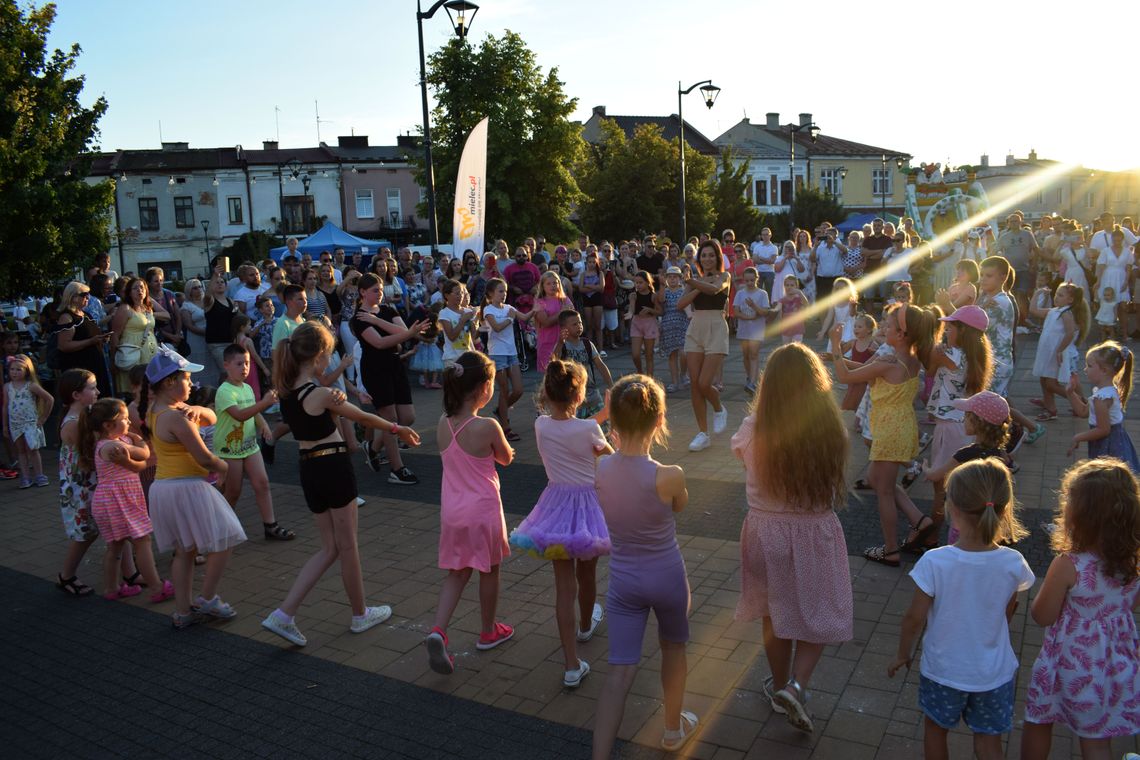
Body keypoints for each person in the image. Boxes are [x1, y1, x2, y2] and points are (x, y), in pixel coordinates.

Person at [260, 322, 416, 647]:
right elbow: (362, 417)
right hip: (332, 465)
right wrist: (396, 428)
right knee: (347, 546)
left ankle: (285, 613)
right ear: (319, 356)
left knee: (330, 547)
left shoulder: (288, 392)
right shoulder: (319, 394)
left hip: (309, 469)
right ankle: (360, 614)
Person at [732, 344, 853, 733]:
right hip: (813, 530)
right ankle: (797, 686)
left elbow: (740, 455)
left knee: (774, 612)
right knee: (817, 611)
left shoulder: (752, 428)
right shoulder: (828, 427)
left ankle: (780, 684)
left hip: (764, 531)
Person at [887, 458, 1033, 760]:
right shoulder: (1013, 563)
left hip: (944, 671)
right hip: (994, 672)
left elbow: (914, 619)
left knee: (936, 731)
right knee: (989, 742)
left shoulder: (935, 562)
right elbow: (1009, 608)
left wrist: (903, 652)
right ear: (1003, 508)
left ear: (951, 507)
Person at [592, 375, 696, 757]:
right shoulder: (670, 475)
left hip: (624, 581)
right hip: (667, 576)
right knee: (674, 649)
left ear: (613, 423)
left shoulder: (600, 470)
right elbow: (679, 506)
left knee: (618, 673)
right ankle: (672, 729)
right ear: (659, 420)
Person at [1021, 458, 1140, 758]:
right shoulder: (1133, 561)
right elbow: (1129, 605)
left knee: (1039, 719)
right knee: (1097, 737)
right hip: (1114, 662)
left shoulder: (1069, 564)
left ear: (1078, 514)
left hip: (1069, 662)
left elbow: (1043, 615)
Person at [510, 359, 612, 686]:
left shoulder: (541, 425)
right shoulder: (589, 430)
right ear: (579, 394)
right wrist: (610, 423)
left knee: (563, 586)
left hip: (554, 506)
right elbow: (606, 455)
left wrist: (601, 419)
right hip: (586, 506)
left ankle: (571, 664)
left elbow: (569, 430)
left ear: (547, 393)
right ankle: (585, 626)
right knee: (588, 572)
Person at [140, 346, 245, 629]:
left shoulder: (159, 410)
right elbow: (204, 457)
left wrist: (196, 409)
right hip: (186, 486)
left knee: (184, 551)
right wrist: (224, 467)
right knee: (225, 536)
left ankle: (183, 611)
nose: (191, 383)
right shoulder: (175, 418)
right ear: (169, 382)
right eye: (186, 378)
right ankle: (207, 597)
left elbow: (210, 418)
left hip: (166, 487)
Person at [424, 351, 515, 673]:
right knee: (489, 570)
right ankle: (489, 630)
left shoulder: (442, 423)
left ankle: (438, 630)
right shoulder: (488, 426)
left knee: (457, 573)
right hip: (483, 511)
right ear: (484, 388)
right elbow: (505, 458)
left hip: (452, 512)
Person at [829, 305, 935, 566]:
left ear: (901, 334)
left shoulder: (889, 362)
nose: (883, 328)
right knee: (878, 480)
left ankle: (890, 550)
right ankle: (920, 521)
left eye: (888, 325)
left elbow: (845, 376)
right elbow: (869, 368)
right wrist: (835, 357)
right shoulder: (910, 357)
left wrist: (835, 346)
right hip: (901, 425)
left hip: (889, 430)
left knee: (884, 491)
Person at [79, 398, 174, 602]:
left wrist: (130, 441)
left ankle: (112, 588)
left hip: (113, 500)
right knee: (142, 540)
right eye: (124, 419)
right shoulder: (113, 447)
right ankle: (157, 587)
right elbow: (143, 457)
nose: (129, 422)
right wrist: (136, 440)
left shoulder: (117, 441)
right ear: (108, 425)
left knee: (116, 544)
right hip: (119, 500)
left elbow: (139, 463)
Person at [917, 305, 993, 549]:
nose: (946, 329)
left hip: (948, 425)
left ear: (963, 330)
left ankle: (934, 536)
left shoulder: (945, 354)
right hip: (962, 424)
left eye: (950, 326)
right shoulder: (976, 355)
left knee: (943, 487)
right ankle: (956, 534)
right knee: (958, 484)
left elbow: (929, 371)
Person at [352, 273, 427, 485]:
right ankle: (397, 469)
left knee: (408, 417)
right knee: (390, 421)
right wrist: (403, 334)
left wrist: (378, 321)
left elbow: (405, 332)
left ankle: (373, 447)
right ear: (363, 292)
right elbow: (380, 343)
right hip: (376, 369)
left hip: (394, 365)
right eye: (375, 290)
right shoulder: (358, 318)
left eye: (381, 290)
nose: (380, 293)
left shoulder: (386, 310)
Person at [214, 343, 293, 540]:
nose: (245, 368)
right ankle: (219, 527)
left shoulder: (247, 388)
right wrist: (265, 404)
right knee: (233, 491)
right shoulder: (224, 392)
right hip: (229, 449)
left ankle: (270, 525)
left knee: (263, 483)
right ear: (226, 365)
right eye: (239, 364)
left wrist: (264, 424)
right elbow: (240, 415)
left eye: (247, 363)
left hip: (250, 445)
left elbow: (253, 410)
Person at [55, 369, 114, 596]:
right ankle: (67, 575)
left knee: (112, 524)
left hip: (92, 482)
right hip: (81, 487)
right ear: (76, 394)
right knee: (86, 532)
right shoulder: (72, 423)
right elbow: (89, 454)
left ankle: (129, 571)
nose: (98, 391)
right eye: (92, 387)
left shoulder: (87, 414)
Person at [678, 240, 732, 452]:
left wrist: (694, 283)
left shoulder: (724, 276)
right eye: (704, 255)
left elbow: (714, 289)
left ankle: (719, 408)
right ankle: (703, 433)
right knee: (694, 384)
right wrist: (695, 285)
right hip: (695, 329)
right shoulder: (695, 282)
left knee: (704, 382)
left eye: (711, 255)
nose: (707, 259)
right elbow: (680, 304)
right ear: (699, 259)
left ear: (717, 257)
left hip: (717, 328)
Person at [1066, 341, 1139, 472]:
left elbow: (1103, 430)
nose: (1085, 369)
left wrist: (1078, 437)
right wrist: (1070, 393)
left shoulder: (1102, 398)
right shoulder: (1104, 392)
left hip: (1109, 446)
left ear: (1104, 371)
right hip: (1113, 441)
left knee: (1108, 480)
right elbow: (1083, 412)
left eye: (1089, 366)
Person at [480, 278, 534, 442]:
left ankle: (500, 410)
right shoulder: (488, 310)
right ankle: (505, 427)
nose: (504, 294)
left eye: (505, 291)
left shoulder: (509, 308)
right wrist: (510, 319)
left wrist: (536, 309)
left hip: (512, 353)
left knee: (518, 390)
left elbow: (524, 318)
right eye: (500, 291)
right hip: (497, 354)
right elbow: (496, 327)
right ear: (490, 293)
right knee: (504, 391)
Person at [1028, 283, 1089, 420]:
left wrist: (1060, 350)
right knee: (1043, 380)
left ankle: (1079, 400)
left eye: (1061, 295)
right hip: (1046, 352)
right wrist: (1037, 294)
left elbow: (1069, 333)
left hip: (1056, 353)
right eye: (1056, 294)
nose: (1056, 297)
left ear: (1070, 300)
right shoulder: (1053, 311)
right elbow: (1033, 310)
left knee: (1051, 383)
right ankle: (1051, 409)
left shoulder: (1066, 313)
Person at [54, 281, 113, 400]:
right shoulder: (67, 317)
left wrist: (102, 338)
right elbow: (63, 345)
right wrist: (90, 341)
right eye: (84, 295)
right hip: (80, 366)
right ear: (74, 297)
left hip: (95, 365)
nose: (87, 298)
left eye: (88, 295)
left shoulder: (86, 315)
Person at [553, 310, 613, 425]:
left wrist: (611, 385)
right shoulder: (562, 345)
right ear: (564, 328)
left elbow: (600, 365)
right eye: (574, 324)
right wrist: (560, 343)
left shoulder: (587, 344)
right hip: (573, 400)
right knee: (576, 430)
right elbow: (554, 362)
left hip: (593, 396)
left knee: (604, 428)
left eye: (580, 323)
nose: (579, 326)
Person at [4, 354, 52, 488]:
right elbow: (5, 406)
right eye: (12, 369)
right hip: (15, 424)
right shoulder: (7, 387)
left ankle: (39, 475)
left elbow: (49, 399)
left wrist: (43, 418)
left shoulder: (31, 386)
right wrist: (5, 425)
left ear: (27, 370)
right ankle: (25, 477)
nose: (15, 372)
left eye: (19, 369)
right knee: (21, 450)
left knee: (33, 449)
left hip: (30, 423)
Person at [110, 277, 164, 392]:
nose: (140, 290)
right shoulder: (125, 308)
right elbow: (115, 335)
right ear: (129, 292)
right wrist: (113, 360)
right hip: (132, 353)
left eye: (142, 287)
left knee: (150, 389)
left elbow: (151, 331)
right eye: (135, 288)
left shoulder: (147, 308)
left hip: (149, 352)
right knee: (135, 389)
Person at [733, 267, 771, 393]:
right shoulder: (740, 293)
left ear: (756, 279)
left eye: (752, 280)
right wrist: (748, 316)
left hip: (757, 329)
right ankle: (750, 376)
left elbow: (765, 312)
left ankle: (753, 382)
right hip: (744, 329)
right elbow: (736, 312)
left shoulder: (762, 294)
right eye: (747, 280)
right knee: (746, 355)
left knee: (754, 354)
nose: (749, 283)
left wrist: (754, 306)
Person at [657, 266, 690, 393]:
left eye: (675, 277)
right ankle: (675, 382)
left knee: (684, 353)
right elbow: (661, 300)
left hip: (682, 324)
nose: (672, 279)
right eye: (669, 277)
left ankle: (683, 374)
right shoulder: (664, 291)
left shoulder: (684, 291)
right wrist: (661, 285)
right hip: (668, 326)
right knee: (672, 355)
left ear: (680, 278)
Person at [533, 271, 574, 373]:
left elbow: (573, 316)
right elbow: (546, 322)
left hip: (565, 342)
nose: (553, 286)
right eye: (548, 283)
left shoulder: (564, 299)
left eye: (555, 283)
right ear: (542, 286)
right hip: (547, 343)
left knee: (567, 373)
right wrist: (561, 312)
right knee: (550, 375)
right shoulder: (539, 302)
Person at [203, 272, 239, 376]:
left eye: (222, 282)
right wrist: (214, 275)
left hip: (231, 341)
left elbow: (237, 318)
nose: (219, 284)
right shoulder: (209, 301)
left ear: (226, 286)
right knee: (226, 373)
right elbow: (207, 295)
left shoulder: (231, 301)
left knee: (233, 372)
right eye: (216, 282)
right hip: (217, 343)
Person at [627, 271, 660, 377]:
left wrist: (649, 309)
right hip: (637, 323)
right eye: (636, 283)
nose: (638, 285)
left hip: (649, 324)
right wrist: (630, 313)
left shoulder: (653, 296)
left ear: (647, 283)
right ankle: (640, 371)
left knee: (649, 355)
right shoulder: (633, 295)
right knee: (635, 354)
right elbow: (632, 307)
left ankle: (649, 379)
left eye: (640, 282)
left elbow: (660, 312)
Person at [179, 279, 210, 385]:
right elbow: (189, 326)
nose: (199, 289)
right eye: (195, 288)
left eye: (200, 286)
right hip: (196, 338)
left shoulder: (208, 301)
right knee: (199, 362)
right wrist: (205, 333)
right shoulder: (186, 306)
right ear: (189, 291)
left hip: (212, 338)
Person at [776, 275, 809, 344]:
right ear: (784, 286)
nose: (789, 287)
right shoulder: (782, 300)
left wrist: (800, 292)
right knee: (786, 348)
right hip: (786, 328)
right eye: (787, 285)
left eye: (792, 285)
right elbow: (778, 310)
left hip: (798, 328)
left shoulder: (799, 298)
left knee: (796, 347)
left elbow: (806, 304)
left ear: (796, 287)